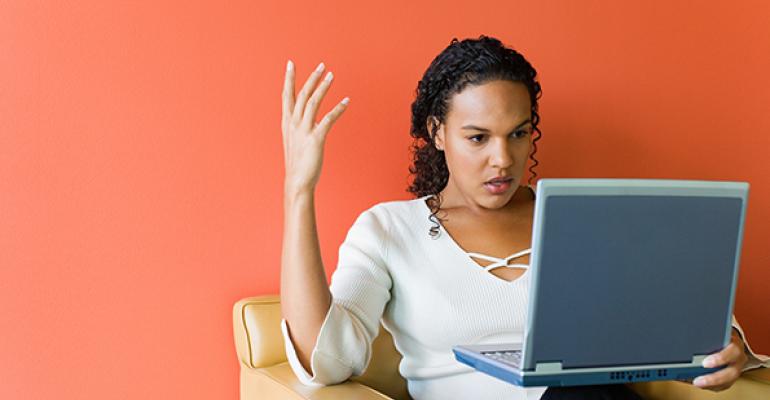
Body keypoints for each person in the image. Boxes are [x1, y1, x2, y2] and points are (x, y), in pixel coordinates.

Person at [279, 35, 768, 400]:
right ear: (437, 132)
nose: (503, 159)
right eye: (478, 137)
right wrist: (299, 192)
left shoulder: (580, 220)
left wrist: (727, 351)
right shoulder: (388, 230)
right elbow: (328, 361)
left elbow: (677, 323)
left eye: (518, 134)